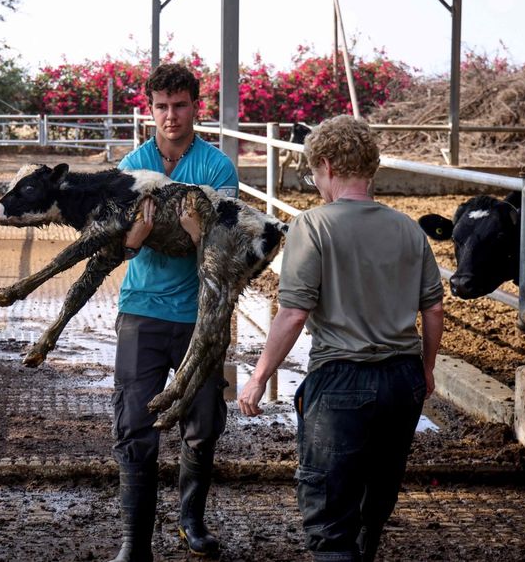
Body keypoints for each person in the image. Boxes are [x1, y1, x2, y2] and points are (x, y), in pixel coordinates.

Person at [237, 115, 445, 562]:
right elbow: (433, 308)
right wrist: (425, 370)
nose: (315, 183)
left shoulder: (312, 226)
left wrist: (258, 377)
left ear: (327, 165)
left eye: (314, 173)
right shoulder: (408, 228)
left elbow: (293, 312)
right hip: (402, 381)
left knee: (330, 518)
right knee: (377, 496)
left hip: (342, 382)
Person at [109, 63, 238, 562]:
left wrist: (197, 234)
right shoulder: (131, 166)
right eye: (161, 106)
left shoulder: (216, 169)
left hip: (200, 317)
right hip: (141, 311)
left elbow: (228, 246)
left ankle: (191, 522)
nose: (170, 116)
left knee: (203, 421)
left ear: (195, 107)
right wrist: (133, 239)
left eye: (180, 105)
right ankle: (133, 542)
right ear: (150, 108)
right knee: (134, 423)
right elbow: (112, 248)